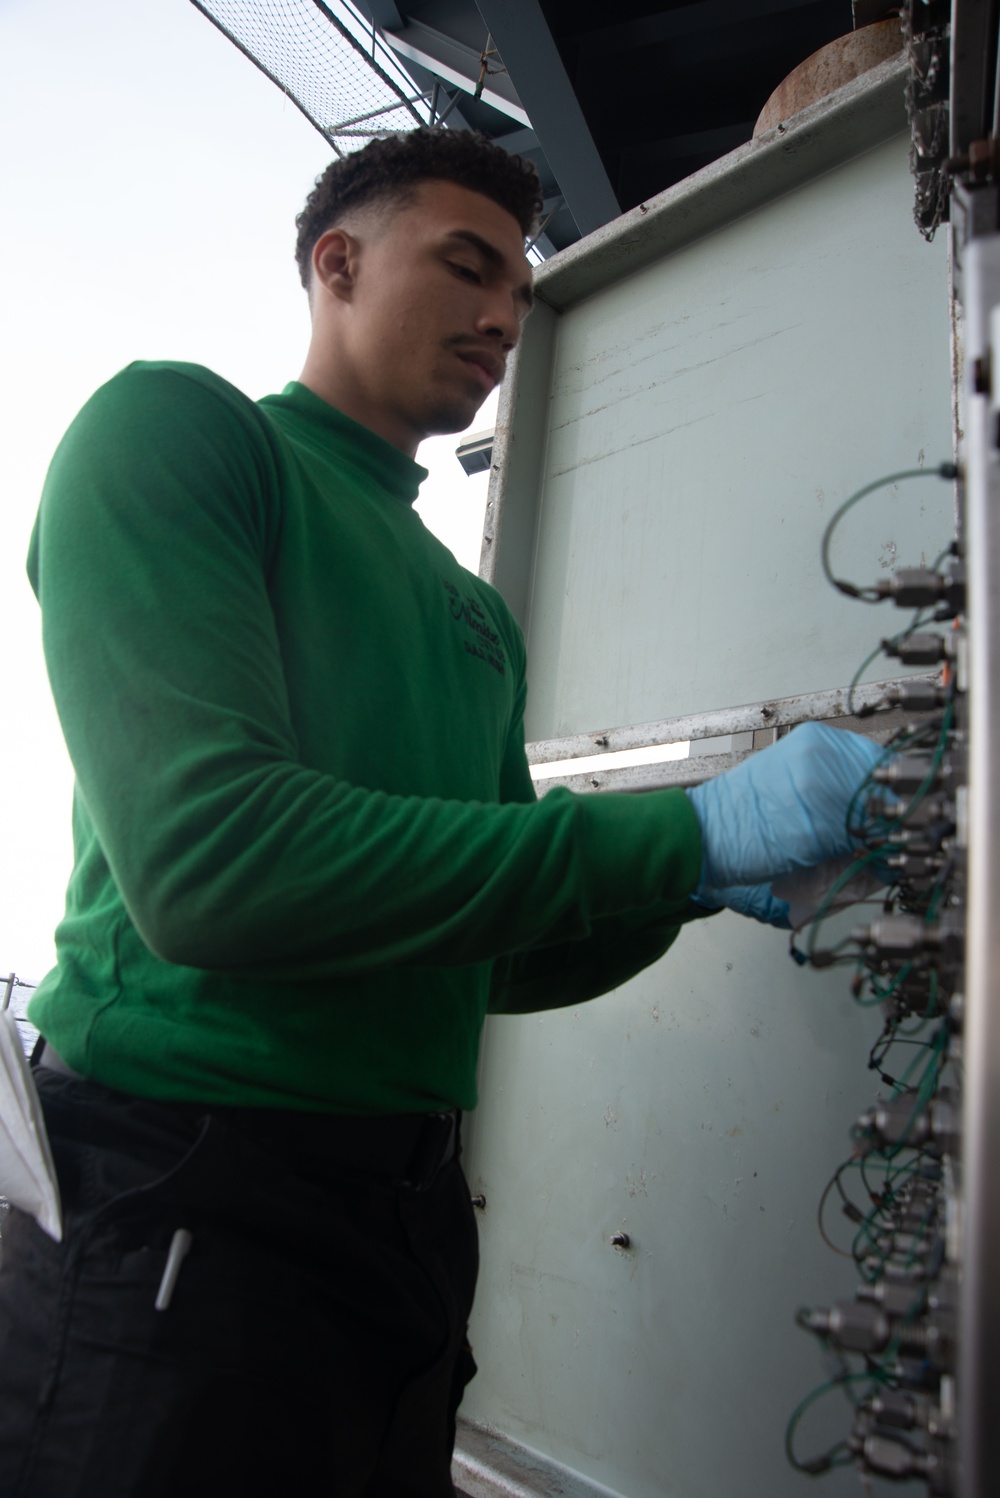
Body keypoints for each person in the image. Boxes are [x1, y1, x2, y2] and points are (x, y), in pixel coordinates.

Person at [0, 128, 883, 1497]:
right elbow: (214, 865)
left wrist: (694, 881)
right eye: (468, 268)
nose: (498, 321)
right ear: (335, 263)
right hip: (181, 1184)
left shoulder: (475, 613)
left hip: (405, 1219)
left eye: (520, 301)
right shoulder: (178, 433)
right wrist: (692, 831)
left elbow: (496, 952)